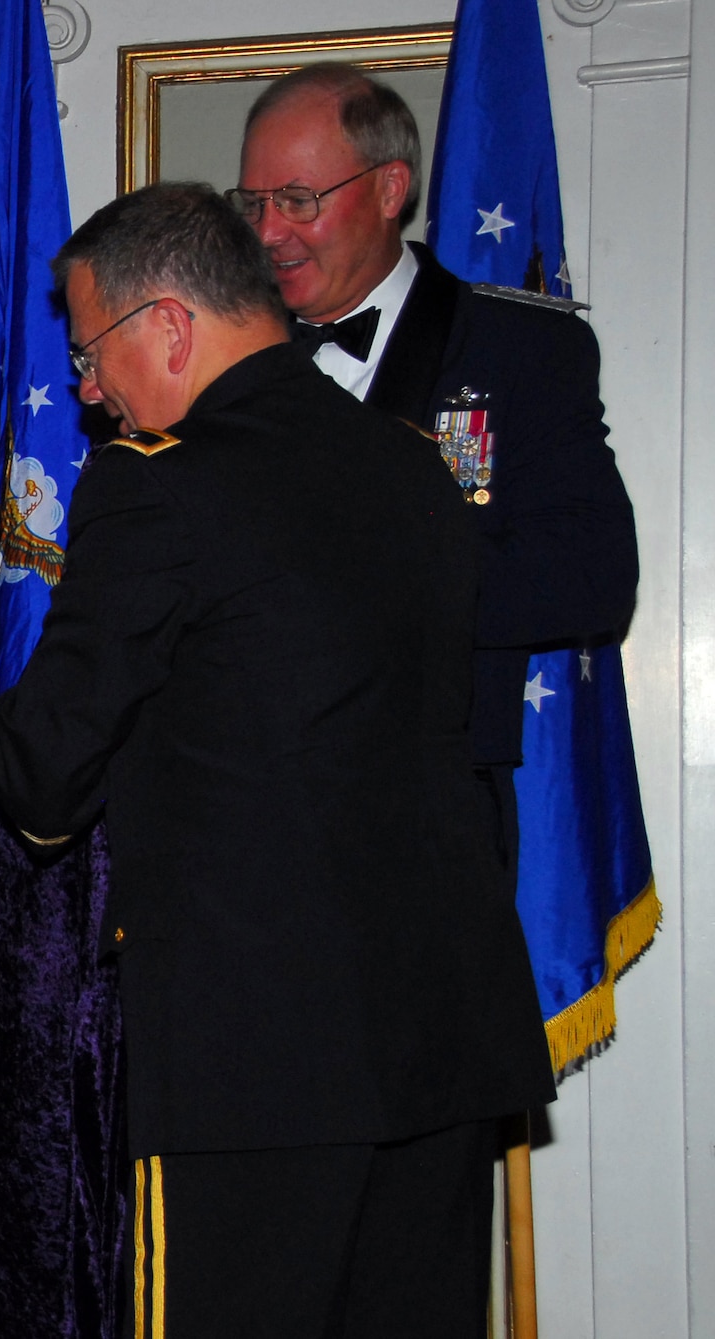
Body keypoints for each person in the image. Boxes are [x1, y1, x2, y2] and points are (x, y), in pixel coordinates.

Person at [0, 183, 553, 1335]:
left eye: (91, 353)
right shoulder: (415, 469)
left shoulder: (154, 486)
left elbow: (42, 773)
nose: (88, 390)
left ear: (169, 327)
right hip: (444, 1032)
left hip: (256, 1054)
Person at [233, 64, 638, 882]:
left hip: (429, 808)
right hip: (242, 805)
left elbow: (592, 575)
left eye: (298, 199)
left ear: (389, 189)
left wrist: (368, 575)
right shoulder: (222, 358)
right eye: (253, 204)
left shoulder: (518, 350)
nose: (269, 231)